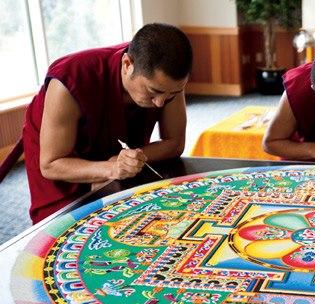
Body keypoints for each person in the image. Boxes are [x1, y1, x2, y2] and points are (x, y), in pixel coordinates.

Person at [22, 23, 193, 223]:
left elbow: (174, 143)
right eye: (153, 92)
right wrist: (109, 169)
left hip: (111, 153)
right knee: (62, 231)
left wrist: (130, 160)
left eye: (172, 94)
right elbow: (51, 164)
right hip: (58, 155)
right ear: (127, 65)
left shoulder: (168, 84)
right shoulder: (70, 80)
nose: (160, 103)